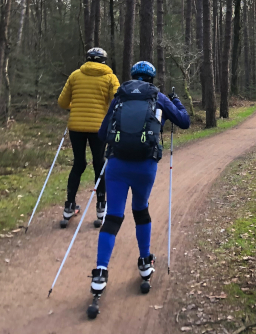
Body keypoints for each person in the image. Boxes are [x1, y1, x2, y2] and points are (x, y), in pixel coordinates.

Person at [89, 61, 190, 296]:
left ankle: (101, 272)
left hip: (116, 164)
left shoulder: (120, 97)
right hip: (145, 166)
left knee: (113, 216)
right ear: (152, 79)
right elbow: (184, 121)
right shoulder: (159, 97)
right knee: (140, 210)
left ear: (132, 76)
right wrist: (176, 102)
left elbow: (103, 134)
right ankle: (145, 261)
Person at [57, 48, 120, 227]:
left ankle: (69, 206)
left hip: (76, 126)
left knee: (78, 163)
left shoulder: (75, 75)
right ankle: (101, 208)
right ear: (104, 61)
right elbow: (117, 101)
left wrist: (75, 107)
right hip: (99, 128)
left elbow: (62, 103)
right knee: (99, 164)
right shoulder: (110, 78)